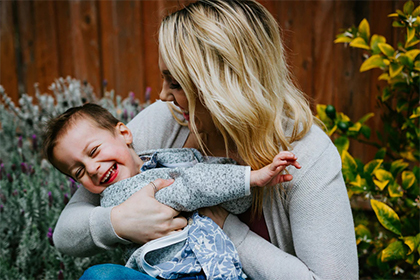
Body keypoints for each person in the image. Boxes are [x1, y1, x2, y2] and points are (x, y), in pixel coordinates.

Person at [53, 0, 359, 279]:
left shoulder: (307, 153)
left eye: (176, 84)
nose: (162, 95)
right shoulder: (167, 120)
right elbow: (66, 232)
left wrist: (225, 227)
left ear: (224, 84)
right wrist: (119, 222)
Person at [43, 103, 300, 279]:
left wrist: (236, 189)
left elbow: (234, 203)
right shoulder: (117, 196)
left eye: (94, 152)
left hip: (218, 266)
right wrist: (251, 177)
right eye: (78, 172)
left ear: (124, 133)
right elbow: (187, 189)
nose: (93, 169)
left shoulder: (169, 159)